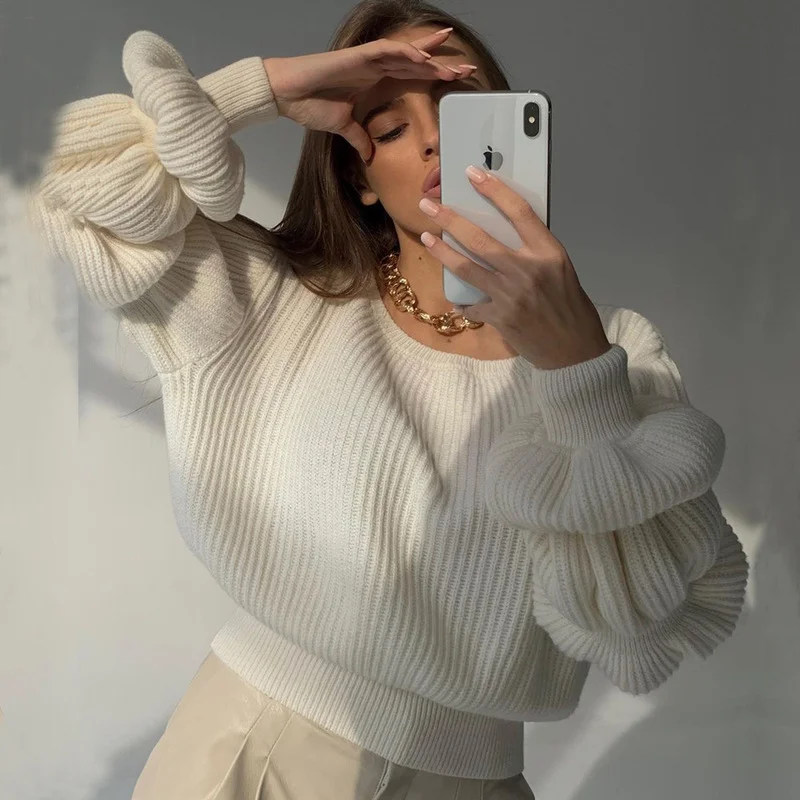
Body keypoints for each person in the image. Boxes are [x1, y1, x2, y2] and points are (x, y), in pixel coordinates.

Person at [26, 1, 749, 798]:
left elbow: (645, 625)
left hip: (471, 782)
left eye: (463, 112)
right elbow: (69, 182)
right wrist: (264, 89)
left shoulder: (615, 356)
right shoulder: (274, 302)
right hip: (253, 748)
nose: (435, 138)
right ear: (358, 178)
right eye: (392, 126)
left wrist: (574, 369)